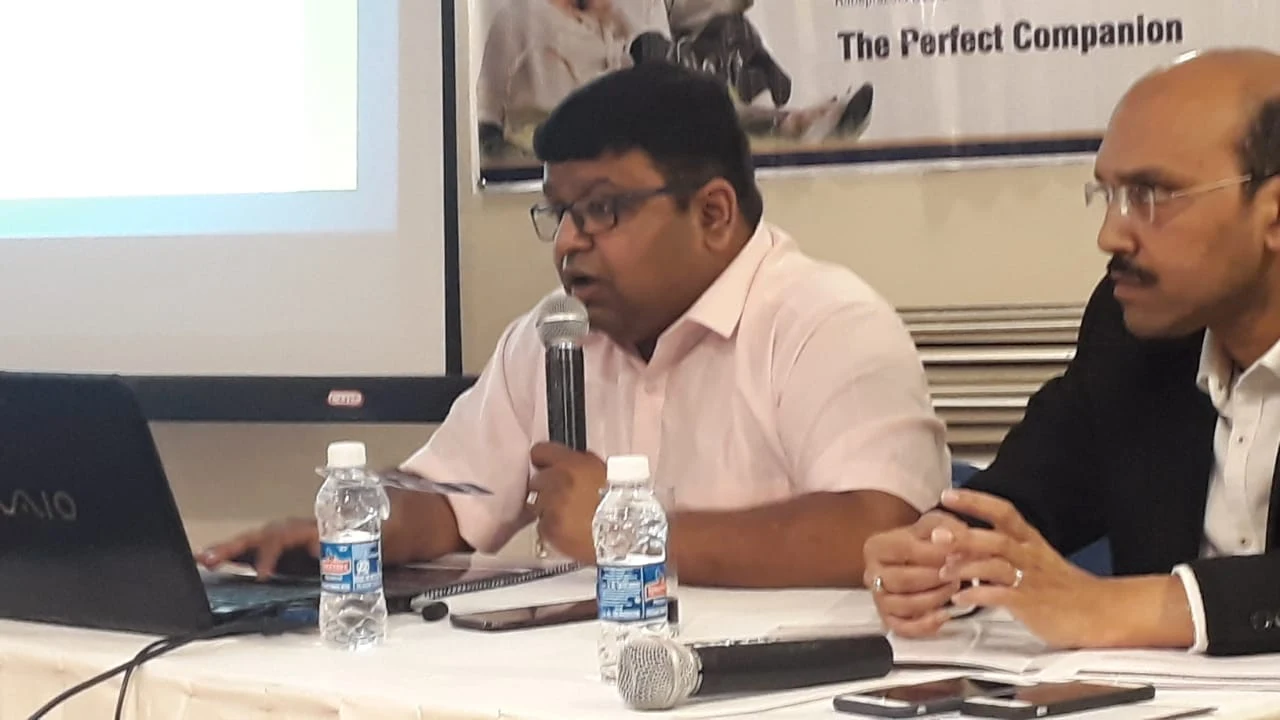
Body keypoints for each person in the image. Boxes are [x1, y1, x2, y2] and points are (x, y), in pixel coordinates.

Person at [200, 61, 950, 589]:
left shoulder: (828, 324)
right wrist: (357, 522)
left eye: (601, 209)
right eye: (559, 213)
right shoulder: (552, 337)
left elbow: (880, 528)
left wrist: (629, 528)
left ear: (714, 214)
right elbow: (454, 499)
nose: (566, 243)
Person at [862, 49, 1280, 656]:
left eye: (1152, 195)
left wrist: (1133, 607)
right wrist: (942, 552)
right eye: (1107, 194)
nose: (1110, 235)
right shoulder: (1130, 331)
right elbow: (1028, 493)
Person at [475, 0, 669, 158]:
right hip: (541, 159)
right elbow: (487, 111)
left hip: (610, 160)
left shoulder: (612, 26)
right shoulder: (519, 20)